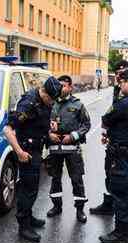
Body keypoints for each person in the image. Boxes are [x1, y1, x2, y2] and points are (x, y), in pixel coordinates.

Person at [4, 76, 63, 243]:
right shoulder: (28, 104)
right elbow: (8, 130)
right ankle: (24, 226)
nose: (51, 102)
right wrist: (20, 152)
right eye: (50, 99)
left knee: (33, 188)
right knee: (27, 190)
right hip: (27, 152)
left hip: (37, 149)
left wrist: (48, 129)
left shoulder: (43, 101)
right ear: (43, 91)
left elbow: (38, 122)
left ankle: (29, 218)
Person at [46, 75, 91, 223]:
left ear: (70, 87)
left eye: (64, 85)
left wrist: (73, 136)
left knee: (77, 179)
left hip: (72, 149)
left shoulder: (78, 105)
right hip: (54, 149)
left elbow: (86, 125)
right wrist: (49, 134)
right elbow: (43, 123)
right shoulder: (51, 103)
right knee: (55, 178)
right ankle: (56, 206)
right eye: (60, 85)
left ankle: (80, 209)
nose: (61, 88)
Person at [89, 60, 128, 216]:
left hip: (122, 144)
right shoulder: (117, 89)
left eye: (122, 74)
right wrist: (107, 134)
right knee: (110, 174)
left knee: (120, 178)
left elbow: (112, 114)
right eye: (117, 74)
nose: (118, 77)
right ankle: (110, 203)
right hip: (115, 137)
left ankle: (121, 220)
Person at [99, 69, 128, 243]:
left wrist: (106, 132)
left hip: (122, 156)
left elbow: (106, 118)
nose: (120, 85)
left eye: (123, 82)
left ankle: (121, 232)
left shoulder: (123, 104)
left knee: (120, 193)